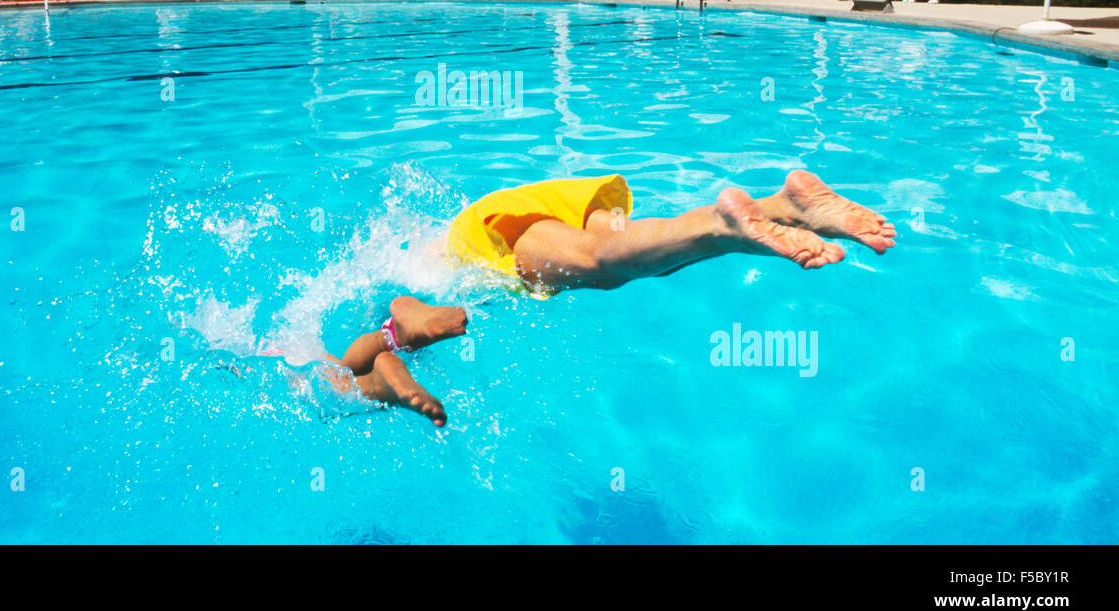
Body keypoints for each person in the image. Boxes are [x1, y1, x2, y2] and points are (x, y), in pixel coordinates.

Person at [323, 170, 893, 424]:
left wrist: (405, 321)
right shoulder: (383, 252)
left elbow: (395, 301)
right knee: (631, 257)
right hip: (538, 200)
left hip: (480, 237)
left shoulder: (387, 273)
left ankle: (396, 345)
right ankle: (784, 205)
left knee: (600, 266)